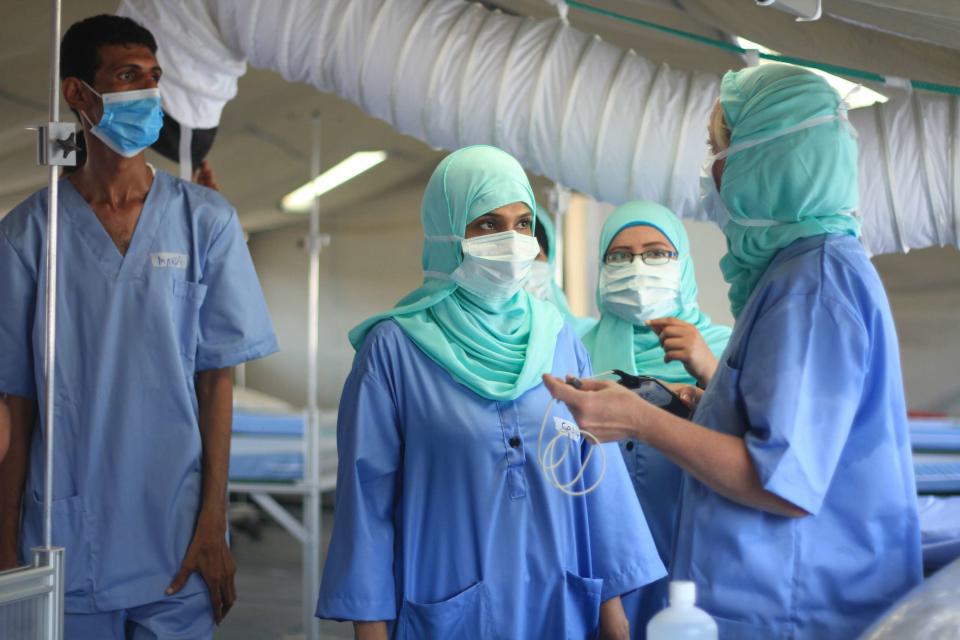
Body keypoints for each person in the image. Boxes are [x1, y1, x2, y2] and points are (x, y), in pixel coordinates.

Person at [543, 64, 922, 639]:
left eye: (719, 149)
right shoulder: (796, 274)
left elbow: (782, 481)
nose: (713, 170)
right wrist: (710, 410)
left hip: (794, 607)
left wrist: (640, 419)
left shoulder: (814, 285)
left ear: (766, 158)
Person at [0, 15, 278, 639]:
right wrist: (4, 544)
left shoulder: (204, 221)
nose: (149, 94)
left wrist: (214, 523)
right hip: (65, 538)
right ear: (79, 94)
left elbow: (218, 381)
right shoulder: (29, 235)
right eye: (128, 77)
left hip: (178, 538)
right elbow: (14, 404)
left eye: (154, 78)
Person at [316, 145, 665, 640]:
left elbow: (596, 485)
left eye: (523, 224)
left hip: (560, 604)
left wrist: (614, 617)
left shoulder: (560, 338)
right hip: (448, 606)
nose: (511, 240)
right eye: (487, 224)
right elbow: (366, 509)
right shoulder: (393, 350)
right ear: (447, 232)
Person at [582, 200, 730, 635]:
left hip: (704, 568)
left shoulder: (727, 349)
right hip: (609, 571)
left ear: (681, 265)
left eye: (656, 253)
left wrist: (708, 372)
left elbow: (760, 450)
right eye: (620, 256)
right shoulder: (577, 350)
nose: (637, 267)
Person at [524, 205, 597, 335]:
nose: (518, 269)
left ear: (550, 261)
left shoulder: (584, 337)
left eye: (534, 256)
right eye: (516, 258)